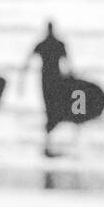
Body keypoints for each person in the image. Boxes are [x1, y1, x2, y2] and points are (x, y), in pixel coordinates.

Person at [20, 21, 74, 156]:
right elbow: (28, 62)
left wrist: (22, 82)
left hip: (50, 79)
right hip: (52, 79)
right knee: (51, 108)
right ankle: (48, 141)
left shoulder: (46, 44)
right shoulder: (54, 44)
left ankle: (48, 141)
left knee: (52, 108)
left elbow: (27, 62)